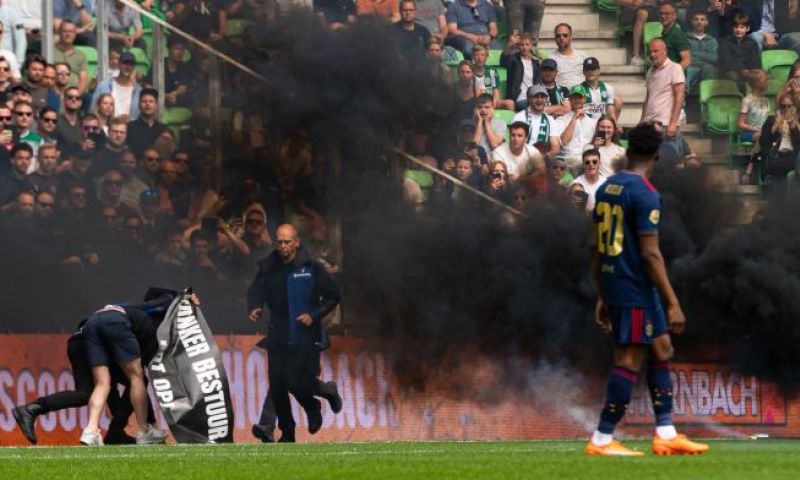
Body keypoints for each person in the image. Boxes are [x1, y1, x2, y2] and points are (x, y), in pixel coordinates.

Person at [585, 122, 709, 457]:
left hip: (618, 283)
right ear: (657, 155)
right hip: (635, 288)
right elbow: (651, 253)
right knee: (628, 359)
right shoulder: (645, 194)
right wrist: (673, 302)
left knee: (663, 347)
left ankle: (666, 433)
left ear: (627, 151)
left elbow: (595, 248)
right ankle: (601, 438)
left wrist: (601, 292)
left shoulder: (607, 188)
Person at [12, 288, 183, 445]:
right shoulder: (154, 324)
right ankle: (141, 431)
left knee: (97, 388)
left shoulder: (130, 311)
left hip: (84, 335)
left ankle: (88, 429)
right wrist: (186, 295)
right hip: (98, 335)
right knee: (136, 377)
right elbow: (142, 378)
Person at [247, 223, 342, 443]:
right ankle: (287, 433)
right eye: (279, 242)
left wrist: (313, 315)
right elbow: (254, 291)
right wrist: (254, 307)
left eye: (287, 242)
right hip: (278, 332)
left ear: (296, 242)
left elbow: (333, 295)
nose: (283, 246)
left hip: (305, 335)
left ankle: (319, 399)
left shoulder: (311, 266)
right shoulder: (268, 266)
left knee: (297, 381)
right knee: (278, 384)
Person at [641, 39, 686, 162]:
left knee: (669, 164)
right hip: (650, 125)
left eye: (656, 51)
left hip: (665, 126)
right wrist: (642, 121)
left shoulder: (675, 68)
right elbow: (648, 98)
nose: (652, 55)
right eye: (650, 52)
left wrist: (673, 123)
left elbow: (679, 97)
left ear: (665, 51)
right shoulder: (650, 70)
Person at [757, 92, 800, 193]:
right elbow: (764, 142)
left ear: (795, 107)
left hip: (793, 155)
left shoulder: (798, 122)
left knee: (787, 164)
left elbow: (798, 143)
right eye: (783, 106)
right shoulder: (771, 121)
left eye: (789, 106)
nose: (786, 109)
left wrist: (793, 127)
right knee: (778, 164)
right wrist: (775, 128)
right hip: (777, 154)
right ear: (778, 107)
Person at [512, 84, 561, 158]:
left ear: (546, 99)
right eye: (535, 97)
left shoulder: (550, 120)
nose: (539, 100)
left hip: (543, 159)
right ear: (529, 99)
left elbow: (555, 147)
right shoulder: (520, 117)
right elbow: (515, 144)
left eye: (542, 97)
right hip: (522, 158)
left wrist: (544, 156)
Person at [571, 57, 622, 127]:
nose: (590, 72)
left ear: (598, 71)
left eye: (593, 69)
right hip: (585, 124)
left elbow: (610, 111)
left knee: (618, 100)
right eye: (587, 69)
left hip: (602, 124)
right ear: (583, 72)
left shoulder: (607, 88)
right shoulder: (579, 89)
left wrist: (614, 126)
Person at [557, 88, 598, 174]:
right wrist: (574, 119)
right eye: (574, 97)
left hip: (588, 160)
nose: (577, 100)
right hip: (569, 160)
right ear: (570, 99)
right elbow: (563, 141)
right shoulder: (561, 120)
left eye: (580, 97)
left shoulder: (593, 122)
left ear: (585, 99)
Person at [92, 51, 142, 120]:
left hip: (131, 129)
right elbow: (93, 109)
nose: (128, 67)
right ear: (119, 64)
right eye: (125, 63)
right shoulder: (104, 86)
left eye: (131, 64)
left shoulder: (139, 91)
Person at [718, 12, 761, 89]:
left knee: (763, 77)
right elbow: (726, 62)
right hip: (731, 71)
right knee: (733, 76)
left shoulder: (752, 43)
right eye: (736, 27)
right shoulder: (725, 42)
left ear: (747, 29)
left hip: (749, 72)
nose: (738, 30)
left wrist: (751, 72)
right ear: (732, 28)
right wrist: (742, 71)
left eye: (742, 27)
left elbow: (755, 62)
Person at [501, 32, 539, 111]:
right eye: (521, 45)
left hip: (534, 98)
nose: (524, 47)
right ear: (518, 46)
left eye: (527, 44)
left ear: (531, 46)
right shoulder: (514, 60)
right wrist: (509, 45)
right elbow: (503, 61)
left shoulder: (536, 63)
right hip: (520, 98)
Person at [686, 10, 718, 95]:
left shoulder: (711, 40)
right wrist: (704, 56)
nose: (699, 22)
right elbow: (687, 57)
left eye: (702, 19)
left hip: (706, 68)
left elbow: (714, 58)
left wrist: (694, 53)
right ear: (692, 22)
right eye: (696, 19)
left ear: (707, 22)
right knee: (685, 70)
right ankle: (682, 105)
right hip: (691, 67)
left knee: (708, 68)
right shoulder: (685, 38)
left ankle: (708, 103)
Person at [52, 20, 88, 94]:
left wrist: (75, 96)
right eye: (65, 31)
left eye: (71, 32)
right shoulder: (50, 52)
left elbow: (83, 79)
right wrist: (58, 95)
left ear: (75, 34)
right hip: (54, 94)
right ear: (59, 33)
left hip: (74, 97)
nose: (68, 34)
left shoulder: (81, 55)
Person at [548, 23, 586, 89]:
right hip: (560, 96)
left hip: (581, 96)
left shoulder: (583, 56)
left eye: (565, 35)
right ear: (555, 38)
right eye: (558, 36)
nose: (561, 38)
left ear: (571, 37)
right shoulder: (550, 58)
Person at [657, 1, 691, 71]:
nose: (663, 16)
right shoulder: (664, 33)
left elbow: (687, 60)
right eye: (661, 13)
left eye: (667, 14)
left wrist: (673, 74)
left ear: (674, 16)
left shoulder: (677, 34)